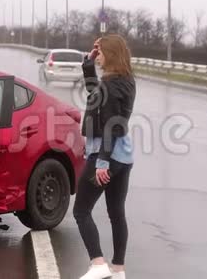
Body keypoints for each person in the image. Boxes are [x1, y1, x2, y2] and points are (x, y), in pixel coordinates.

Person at [73, 34, 136, 279]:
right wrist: (88, 65)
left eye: (100, 53)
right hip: (124, 156)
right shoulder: (126, 81)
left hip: (105, 154)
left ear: (110, 54)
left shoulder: (109, 85)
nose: (98, 57)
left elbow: (110, 124)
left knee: (81, 211)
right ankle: (119, 270)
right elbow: (95, 95)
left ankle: (98, 264)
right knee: (116, 213)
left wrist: (101, 162)